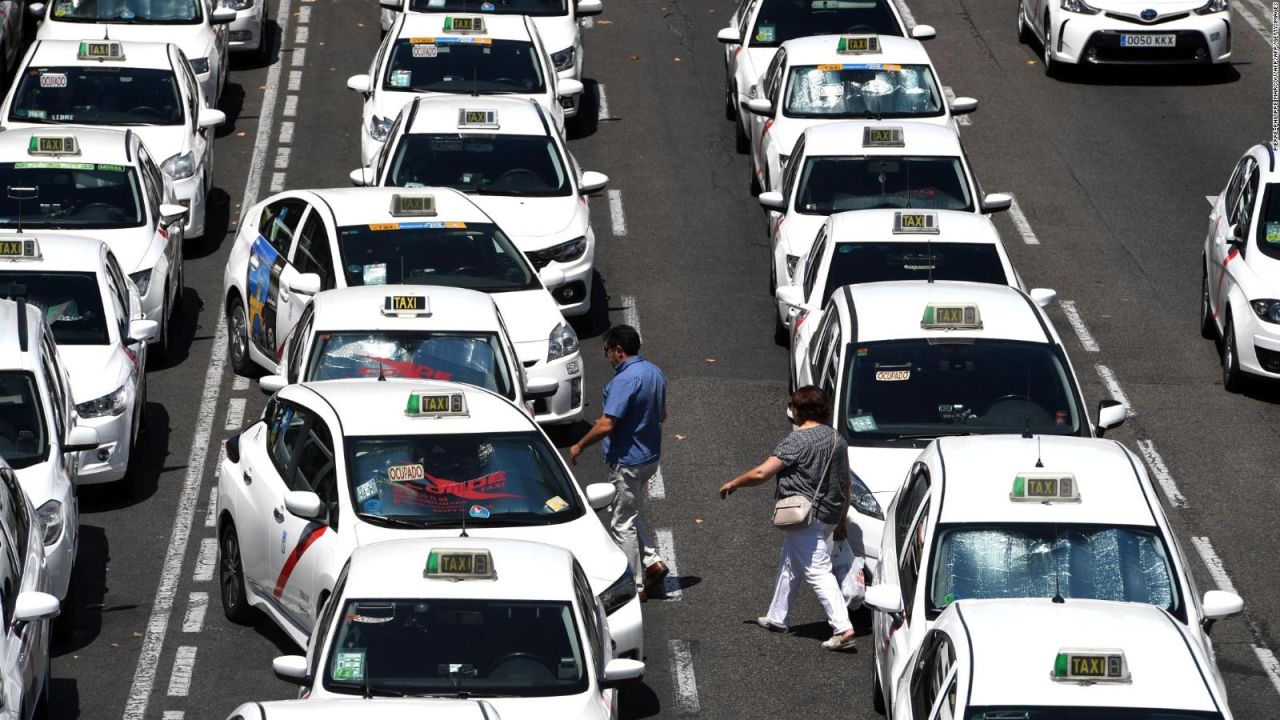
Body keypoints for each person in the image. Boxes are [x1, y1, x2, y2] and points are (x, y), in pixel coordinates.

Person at [719, 385, 855, 651]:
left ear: (798, 411)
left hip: (805, 515)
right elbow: (845, 481)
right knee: (791, 561)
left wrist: (734, 483)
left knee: (817, 569)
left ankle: (842, 627)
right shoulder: (837, 438)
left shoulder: (796, 441)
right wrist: (841, 521)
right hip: (830, 512)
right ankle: (777, 617)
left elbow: (762, 473)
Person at [570, 324, 668, 600]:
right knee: (630, 511)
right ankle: (652, 561)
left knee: (621, 522)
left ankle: (635, 586)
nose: (606, 356)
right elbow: (662, 415)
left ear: (618, 351)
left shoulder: (624, 381)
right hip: (650, 457)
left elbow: (606, 423)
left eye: (606, 350)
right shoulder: (654, 372)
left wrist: (580, 445)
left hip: (627, 461)